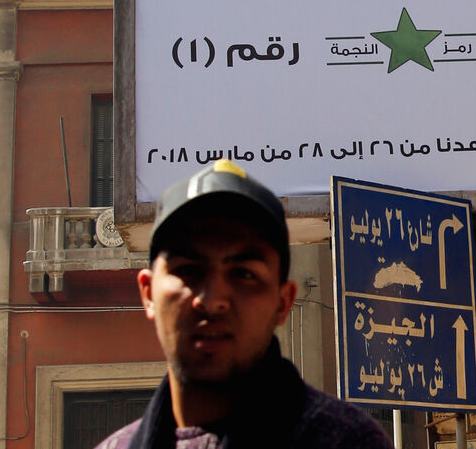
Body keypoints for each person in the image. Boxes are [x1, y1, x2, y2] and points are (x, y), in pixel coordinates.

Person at [95, 159, 393, 448]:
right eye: (188, 270)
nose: (212, 301)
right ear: (148, 293)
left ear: (283, 303)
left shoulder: (345, 440)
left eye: (244, 274)